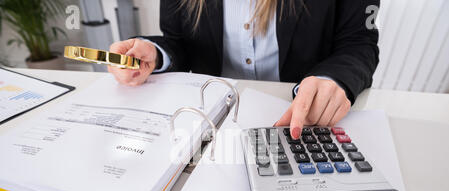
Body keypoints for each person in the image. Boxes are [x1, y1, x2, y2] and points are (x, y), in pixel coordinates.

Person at [108, 0, 379, 139]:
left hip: (298, 118)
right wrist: (154, 53)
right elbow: (179, 42)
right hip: (211, 122)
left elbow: (358, 43)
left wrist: (332, 79)